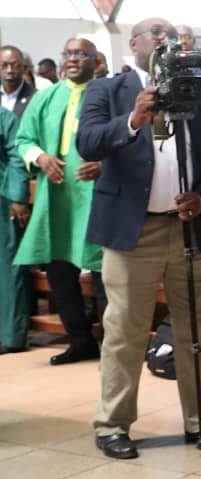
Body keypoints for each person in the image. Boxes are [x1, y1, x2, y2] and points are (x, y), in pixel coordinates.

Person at [76, 16, 201, 460]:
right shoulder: (107, 91)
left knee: (197, 332)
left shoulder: (195, 95)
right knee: (125, 332)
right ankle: (113, 425)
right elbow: (87, 143)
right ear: (135, 44)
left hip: (189, 229)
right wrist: (131, 120)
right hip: (133, 233)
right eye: (158, 33)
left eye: (173, 35)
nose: (167, 41)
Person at [13, 37, 107, 366]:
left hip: (95, 195)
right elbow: (23, 140)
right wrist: (40, 158)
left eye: (81, 54)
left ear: (96, 61)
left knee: (102, 270)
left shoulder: (107, 94)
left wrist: (105, 164)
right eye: (67, 53)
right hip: (56, 196)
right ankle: (80, 340)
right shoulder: (46, 97)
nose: (72, 59)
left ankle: (112, 343)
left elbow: (130, 140)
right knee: (59, 270)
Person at [0, 100, 30, 355]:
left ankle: (11, 336)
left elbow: (17, 157)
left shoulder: (5, 118)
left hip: (2, 197)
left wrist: (18, 196)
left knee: (8, 268)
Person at [0, 47, 36, 117]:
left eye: (15, 65)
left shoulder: (35, 97)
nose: (9, 70)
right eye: (4, 65)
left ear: (24, 68)